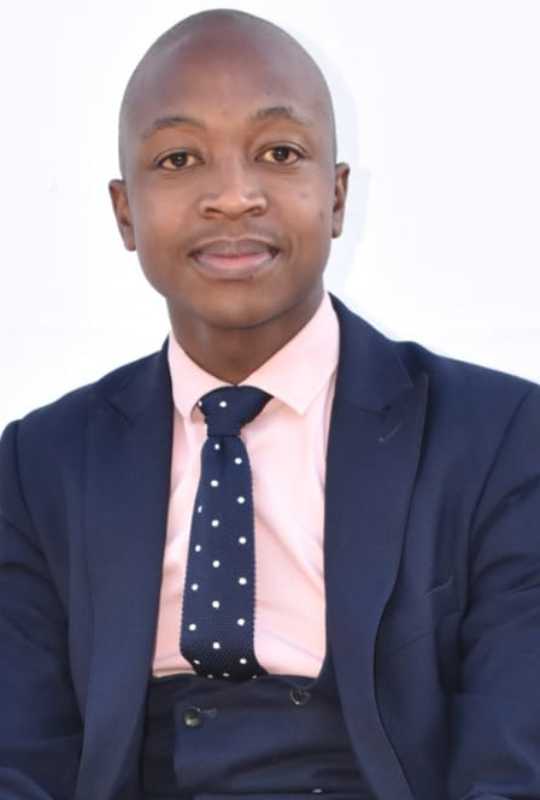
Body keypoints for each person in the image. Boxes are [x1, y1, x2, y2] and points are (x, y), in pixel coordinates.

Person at [1, 8, 539, 800]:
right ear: (125, 212)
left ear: (336, 196)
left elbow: (515, 752)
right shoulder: (39, 466)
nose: (232, 196)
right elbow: (19, 756)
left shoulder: (499, 438)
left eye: (279, 153)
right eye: (179, 158)